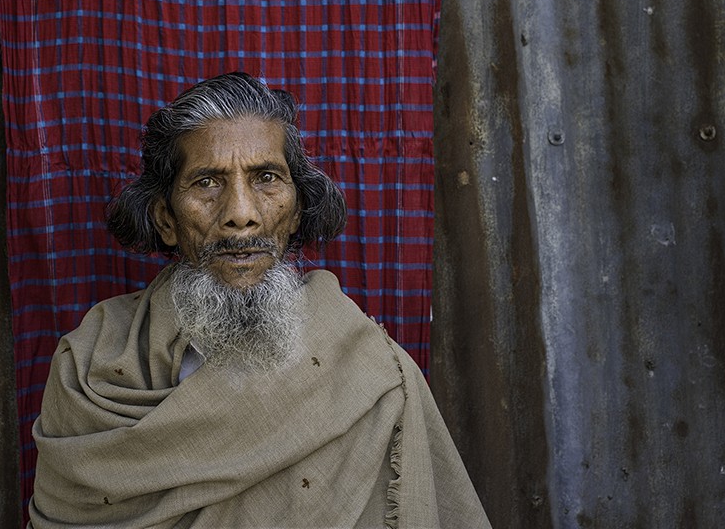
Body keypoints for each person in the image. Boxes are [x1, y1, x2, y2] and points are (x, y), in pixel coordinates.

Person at [29, 72, 491, 529]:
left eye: (266, 178)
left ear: (297, 211)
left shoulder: (371, 369)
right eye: (207, 183)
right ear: (166, 219)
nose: (241, 214)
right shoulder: (89, 367)